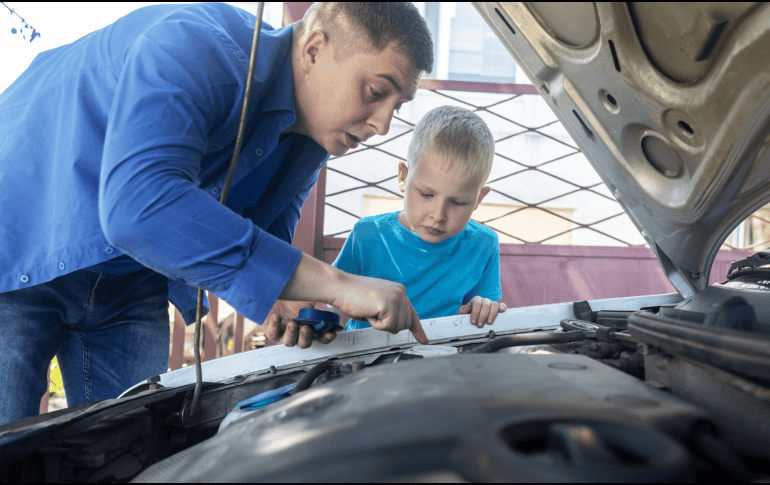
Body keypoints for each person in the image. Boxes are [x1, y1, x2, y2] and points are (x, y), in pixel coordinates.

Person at [0, 2, 432, 425]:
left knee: (128, 454)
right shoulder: (199, 46)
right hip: (20, 237)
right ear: (314, 48)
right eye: (376, 92)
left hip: (131, 279)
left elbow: (266, 236)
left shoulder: (312, 142)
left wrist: (280, 300)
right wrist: (338, 284)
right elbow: (140, 206)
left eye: (397, 105)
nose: (383, 125)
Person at [331, 106, 508, 331]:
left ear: (478, 198)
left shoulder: (483, 244)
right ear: (403, 177)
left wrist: (482, 307)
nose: (438, 215)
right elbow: (334, 301)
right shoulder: (367, 235)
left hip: (443, 359)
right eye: (426, 194)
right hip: (366, 361)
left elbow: (484, 311)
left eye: (457, 202)